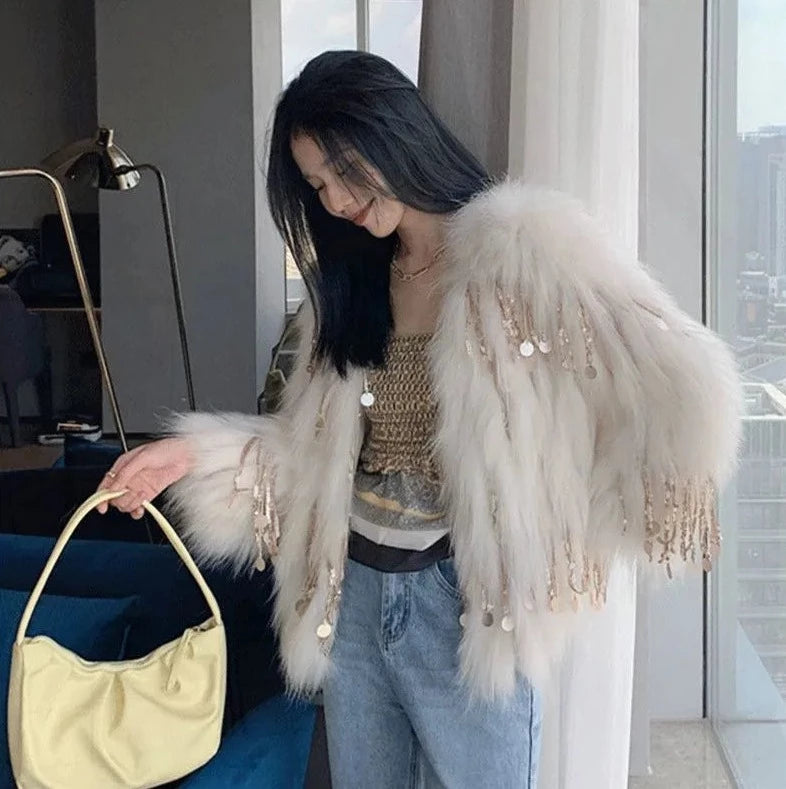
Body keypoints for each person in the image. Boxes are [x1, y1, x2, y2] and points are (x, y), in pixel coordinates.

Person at [96, 50, 743, 788]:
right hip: (353, 597)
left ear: (394, 131)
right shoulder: (351, 285)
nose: (338, 200)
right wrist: (186, 457)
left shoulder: (523, 251)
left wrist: (586, 510)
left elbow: (670, 369)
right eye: (318, 186)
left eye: (345, 170)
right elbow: (311, 454)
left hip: (465, 605)